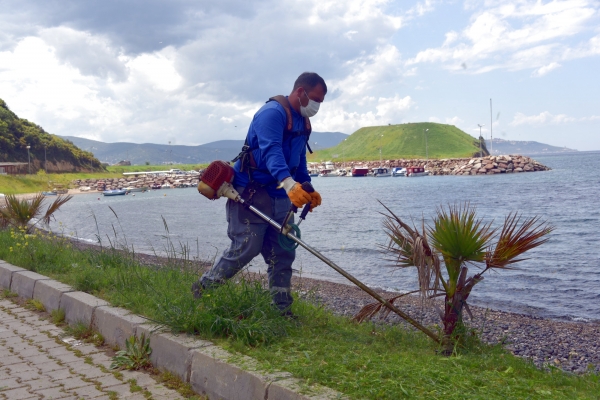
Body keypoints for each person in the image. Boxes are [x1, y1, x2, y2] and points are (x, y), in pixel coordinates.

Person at [192, 72, 327, 316]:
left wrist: (307, 186)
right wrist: (288, 184)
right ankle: (203, 289)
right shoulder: (272, 114)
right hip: (250, 192)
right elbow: (271, 151)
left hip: (280, 197)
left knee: (284, 252)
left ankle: (281, 309)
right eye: (315, 99)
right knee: (246, 247)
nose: (317, 106)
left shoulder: (304, 122)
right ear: (300, 92)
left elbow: (298, 159)